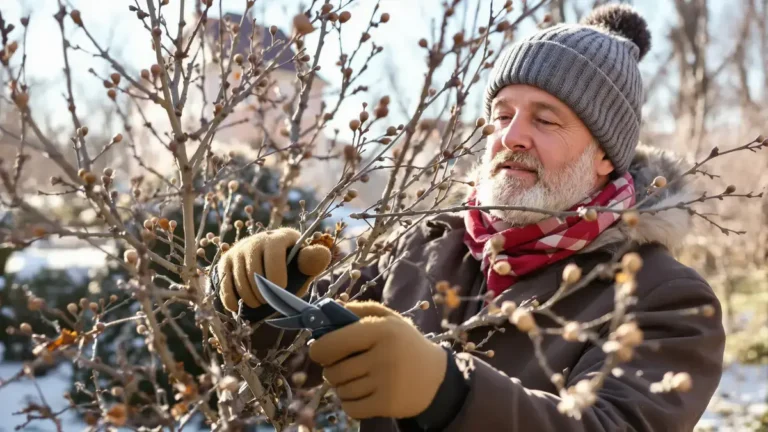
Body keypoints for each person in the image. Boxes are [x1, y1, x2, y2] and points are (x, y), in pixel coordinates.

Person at [208, 4, 725, 431]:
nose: (511, 136)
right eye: (502, 115)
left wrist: (451, 394)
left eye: (545, 119)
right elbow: (293, 371)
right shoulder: (426, 247)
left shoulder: (667, 300)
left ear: (605, 156)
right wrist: (262, 297)